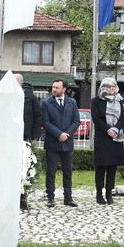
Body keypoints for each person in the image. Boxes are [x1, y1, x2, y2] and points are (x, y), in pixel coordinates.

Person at [41, 80, 81, 208]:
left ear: (64, 89)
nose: (54, 89)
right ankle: (50, 198)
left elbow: (76, 121)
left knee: (68, 171)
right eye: (53, 87)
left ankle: (68, 198)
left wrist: (67, 134)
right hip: (52, 142)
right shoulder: (46, 103)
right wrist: (59, 134)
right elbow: (46, 122)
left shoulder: (72, 102)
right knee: (51, 172)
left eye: (57, 87)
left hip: (67, 142)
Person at [90, 78, 124, 205]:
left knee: (112, 167)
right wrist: (107, 129)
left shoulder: (119, 100)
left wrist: (116, 128)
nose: (113, 88)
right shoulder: (96, 101)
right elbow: (96, 119)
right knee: (101, 167)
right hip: (102, 137)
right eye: (110, 86)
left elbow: (122, 117)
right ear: (104, 87)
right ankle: (99, 195)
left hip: (115, 137)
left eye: (114, 86)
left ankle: (109, 194)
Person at [14, 73, 41, 210]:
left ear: (21, 84)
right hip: (10, 139)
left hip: (25, 138)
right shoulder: (8, 95)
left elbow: (38, 117)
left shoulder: (31, 98)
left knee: (24, 170)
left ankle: (22, 198)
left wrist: (35, 137)